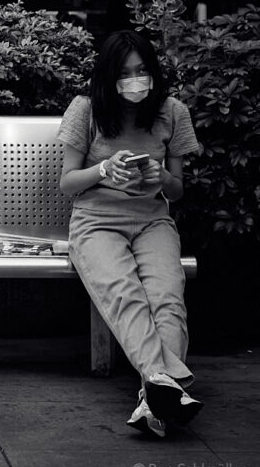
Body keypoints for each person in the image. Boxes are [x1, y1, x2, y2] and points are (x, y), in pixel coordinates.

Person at [57, 30, 202, 439]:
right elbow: (68, 183)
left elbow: (178, 189)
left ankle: (153, 400)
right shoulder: (86, 109)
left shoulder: (171, 110)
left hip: (153, 219)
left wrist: (161, 176)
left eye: (142, 71)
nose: (135, 80)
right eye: (125, 73)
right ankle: (166, 388)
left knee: (168, 299)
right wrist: (104, 169)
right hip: (96, 219)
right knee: (126, 295)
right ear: (108, 76)